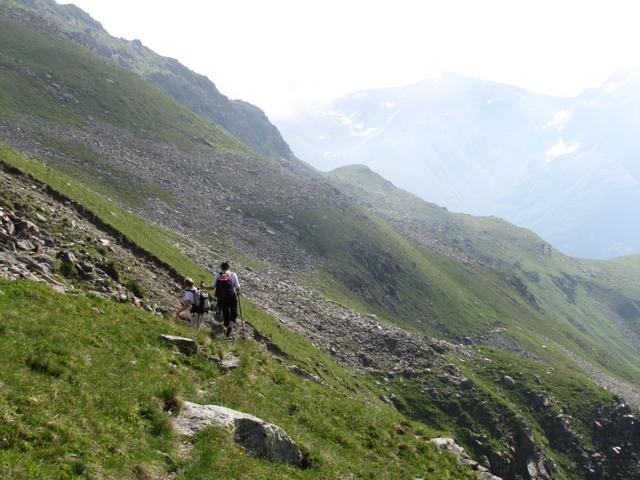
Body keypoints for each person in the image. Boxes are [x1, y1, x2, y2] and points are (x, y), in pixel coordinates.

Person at [202, 262, 240, 337]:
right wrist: (238, 293)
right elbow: (237, 288)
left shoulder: (218, 275)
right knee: (233, 312)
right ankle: (230, 328)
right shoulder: (232, 275)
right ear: (228, 267)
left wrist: (204, 286)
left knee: (225, 313)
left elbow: (212, 287)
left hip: (221, 298)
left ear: (221, 267)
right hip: (231, 296)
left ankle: (226, 328)